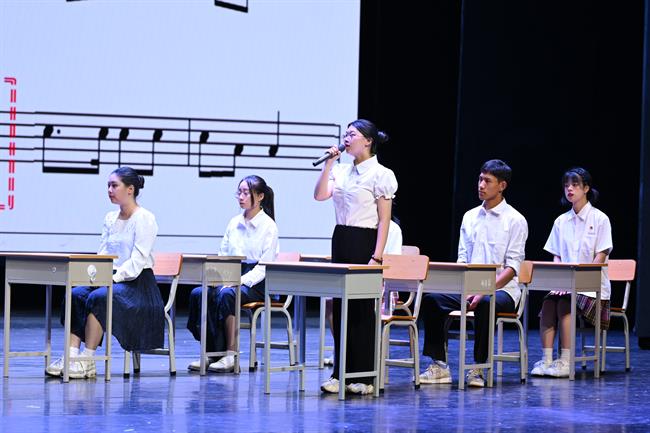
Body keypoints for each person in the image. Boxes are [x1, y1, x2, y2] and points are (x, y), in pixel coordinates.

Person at [46, 166, 163, 379]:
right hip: (110, 278)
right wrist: (95, 275)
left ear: (130, 189)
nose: (109, 190)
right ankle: (72, 356)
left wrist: (111, 279)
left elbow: (137, 261)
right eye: (108, 185)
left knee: (100, 297)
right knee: (76, 294)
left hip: (136, 285)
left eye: (114, 185)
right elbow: (103, 253)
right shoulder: (110, 218)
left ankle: (88, 360)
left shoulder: (145, 218)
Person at [418, 159, 528, 387]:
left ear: (502, 186)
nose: (481, 185)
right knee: (432, 300)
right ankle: (440, 365)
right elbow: (462, 259)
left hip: (503, 291)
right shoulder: (469, 217)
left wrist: (484, 291)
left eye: (487, 181)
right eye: (480, 179)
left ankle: (479, 367)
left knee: (486, 303)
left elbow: (512, 268)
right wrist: (466, 288)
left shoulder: (515, 220)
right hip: (469, 287)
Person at [314, 119, 398, 395]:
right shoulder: (341, 170)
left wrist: (377, 256)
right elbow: (320, 196)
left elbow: (384, 220)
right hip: (342, 238)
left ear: (368, 141)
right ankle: (340, 373)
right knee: (340, 308)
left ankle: (364, 376)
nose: (346, 139)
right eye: (345, 134)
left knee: (362, 310)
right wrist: (328, 164)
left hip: (365, 242)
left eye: (352, 134)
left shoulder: (381, 174)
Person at [186, 175, 278, 373]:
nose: (241, 197)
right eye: (239, 192)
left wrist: (238, 281)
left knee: (228, 294)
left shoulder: (268, 226)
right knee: (199, 293)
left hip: (256, 283)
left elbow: (263, 267)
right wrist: (217, 277)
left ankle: (231, 354)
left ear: (260, 196)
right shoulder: (234, 222)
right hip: (232, 274)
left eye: (246, 193)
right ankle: (211, 353)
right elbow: (223, 255)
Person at [531, 167, 613, 378]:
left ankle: (566, 361)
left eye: (575, 185)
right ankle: (547, 360)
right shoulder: (561, 221)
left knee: (565, 303)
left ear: (586, 188)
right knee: (549, 302)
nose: (570, 189)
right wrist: (560, 283)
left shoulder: (600, 219)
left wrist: (577, 283)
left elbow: (600, 257)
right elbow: (557, 257)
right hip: (566, 286)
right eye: (566, 185)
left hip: (593, 289)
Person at [322, 218, 403, 366]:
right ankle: (342, 350)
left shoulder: (392, 228)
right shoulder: (358, 223)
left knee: (360, 303)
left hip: (384, 284)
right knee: (330, 303)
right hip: (357, 278)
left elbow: (394, 262)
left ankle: (361, 355)